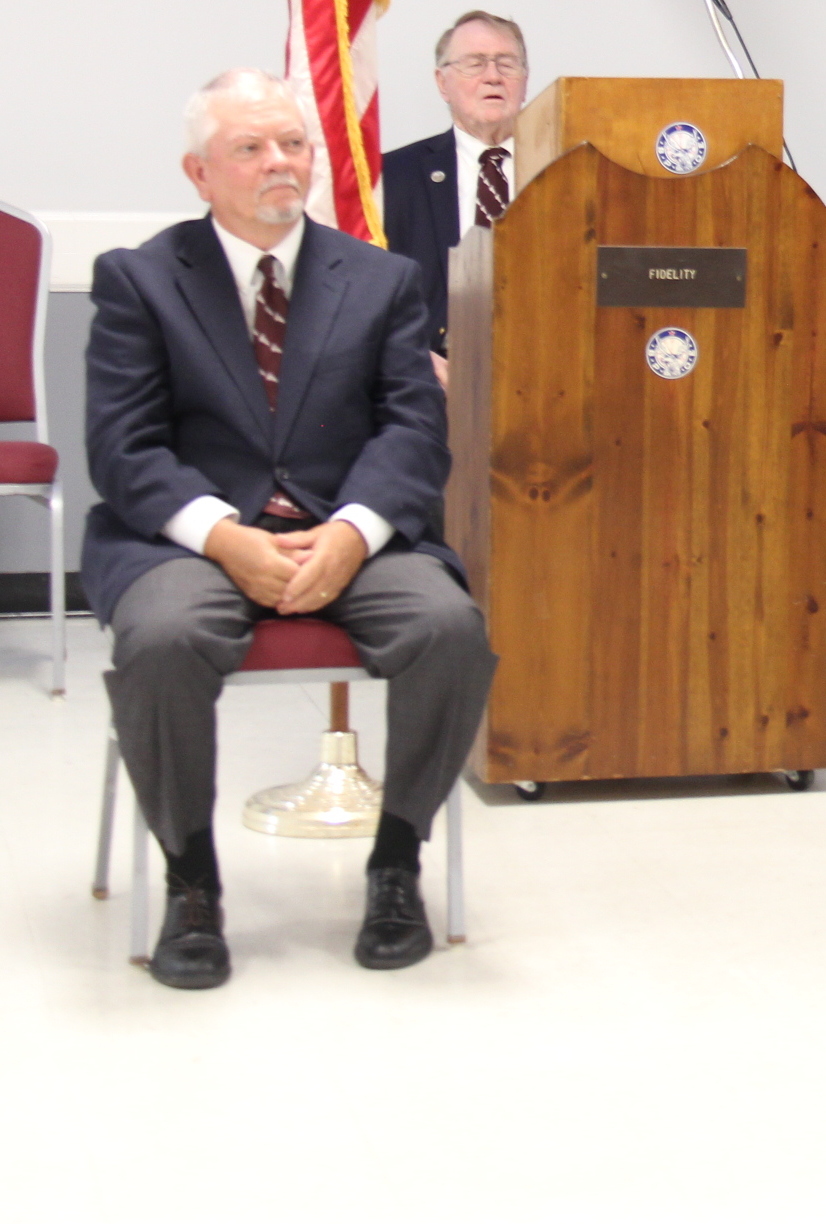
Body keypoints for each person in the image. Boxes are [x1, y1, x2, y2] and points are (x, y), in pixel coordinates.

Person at [84, 68, 498, 991]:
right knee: (163, 639)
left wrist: (354, 533)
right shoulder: (140, 280)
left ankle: (396, 864)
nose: (281, 164)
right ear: (199, 174)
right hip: (190, 541)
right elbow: (122, 448)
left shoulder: (381, 279)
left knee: (449, 630)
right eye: (251, 148)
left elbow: (414, 429)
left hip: (348, 533)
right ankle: (192, 882)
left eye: (294, 145)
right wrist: (225, 537)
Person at [383, 10, 531, 360]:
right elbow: (369, 295)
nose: (493, 76)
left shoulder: (563, 170)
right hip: (428, 386)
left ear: (525, 80)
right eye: (475, 63)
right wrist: (416, 363)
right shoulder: (393, 177)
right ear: (442, 82)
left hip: (543, 381)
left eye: (507, 64)